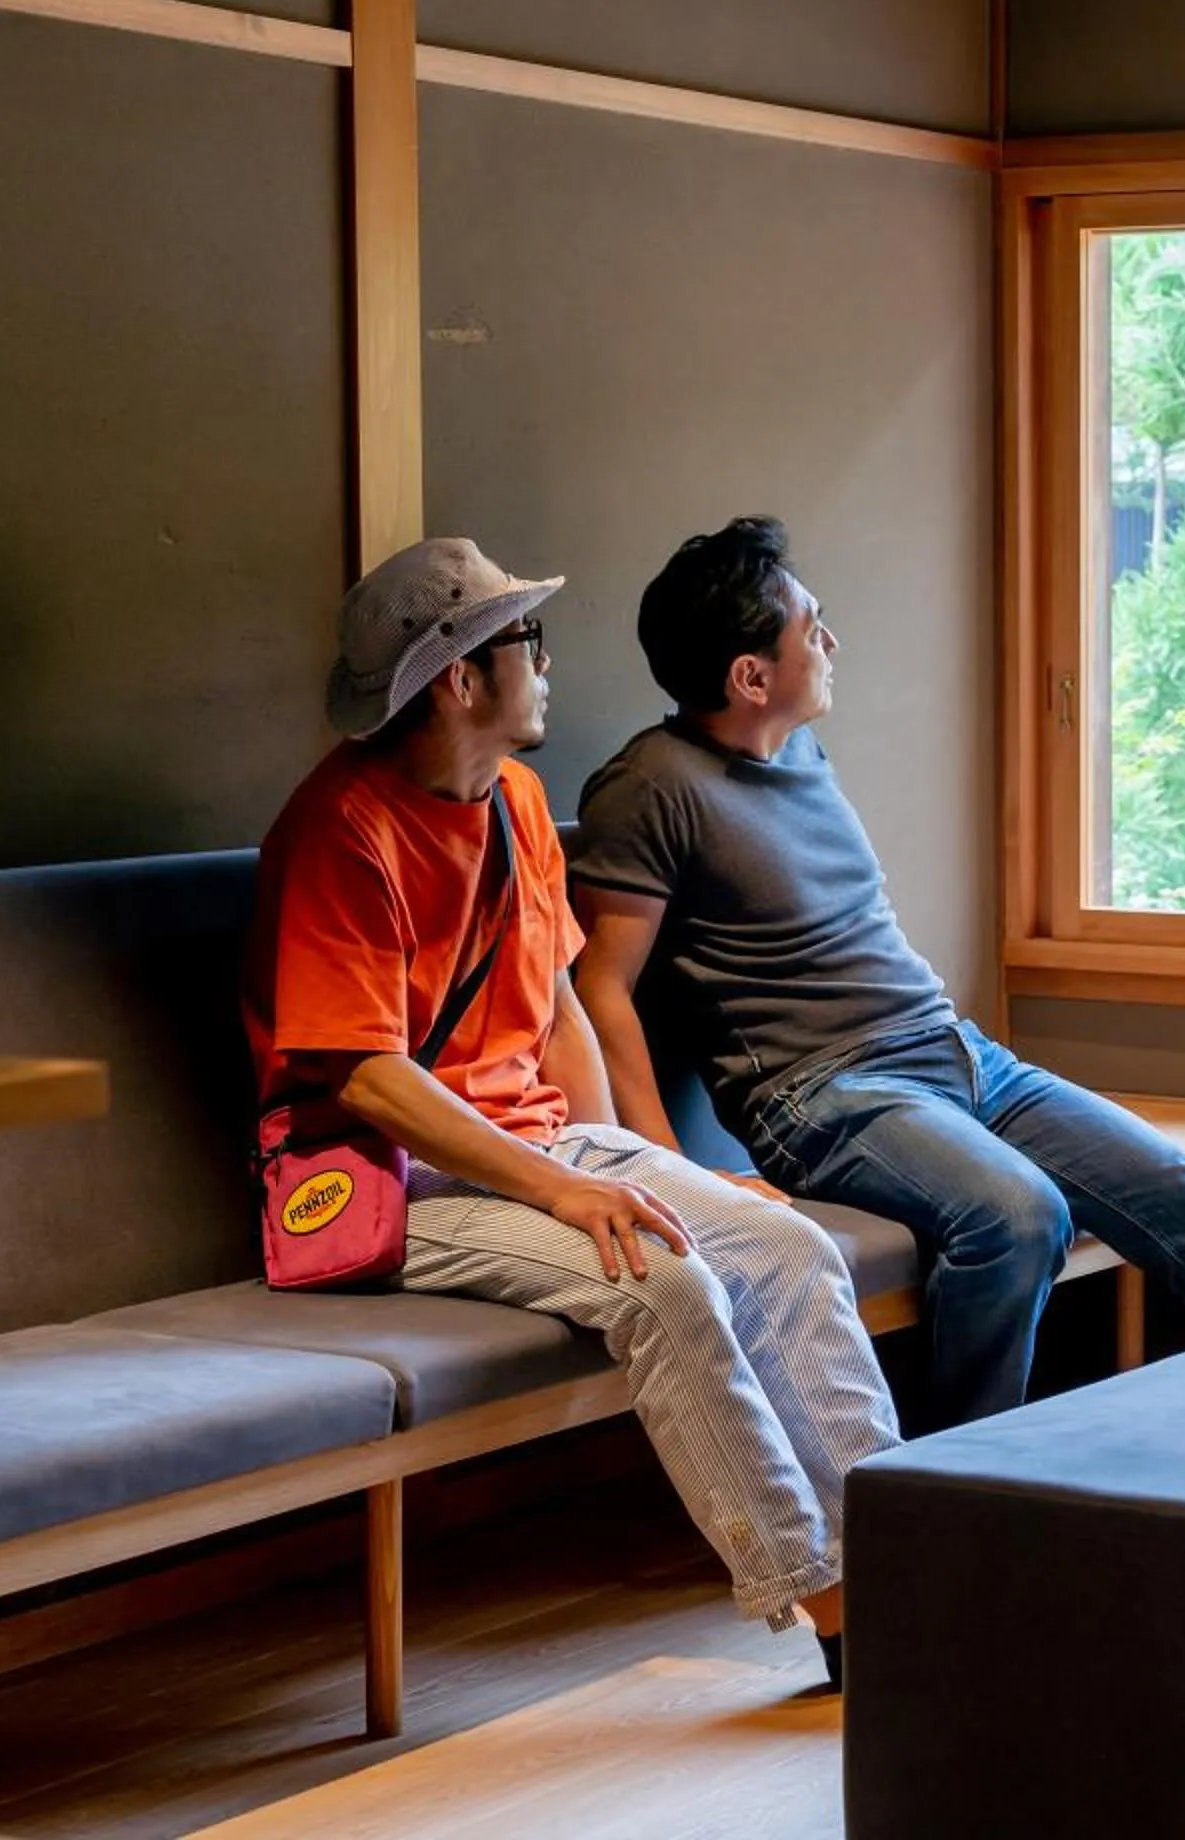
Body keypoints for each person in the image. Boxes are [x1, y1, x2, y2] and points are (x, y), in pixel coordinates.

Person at [244, 537, 898, 1686]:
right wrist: (567, 1186)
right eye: (525, 643)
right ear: (459, 677)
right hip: (394, 1172)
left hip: (542, 1141)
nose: (547, 664)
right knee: (671, 1281)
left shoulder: (517, 801)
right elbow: (365, 1076)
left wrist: (651, 1164)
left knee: (791, 1248)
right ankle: (840, 1610)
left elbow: (556, 1009)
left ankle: (907, 1570)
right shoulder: (338, 831)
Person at [569, 518, 1185, 1427]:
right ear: (750, 676)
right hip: (824, 1094)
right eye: (811, 627)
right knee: (1016, 1218)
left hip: (958, 1056)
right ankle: (951, 1506)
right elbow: (603, 987)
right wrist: (668, 1172)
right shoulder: (647, 787)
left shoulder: (800, 750)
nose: (830, 642)